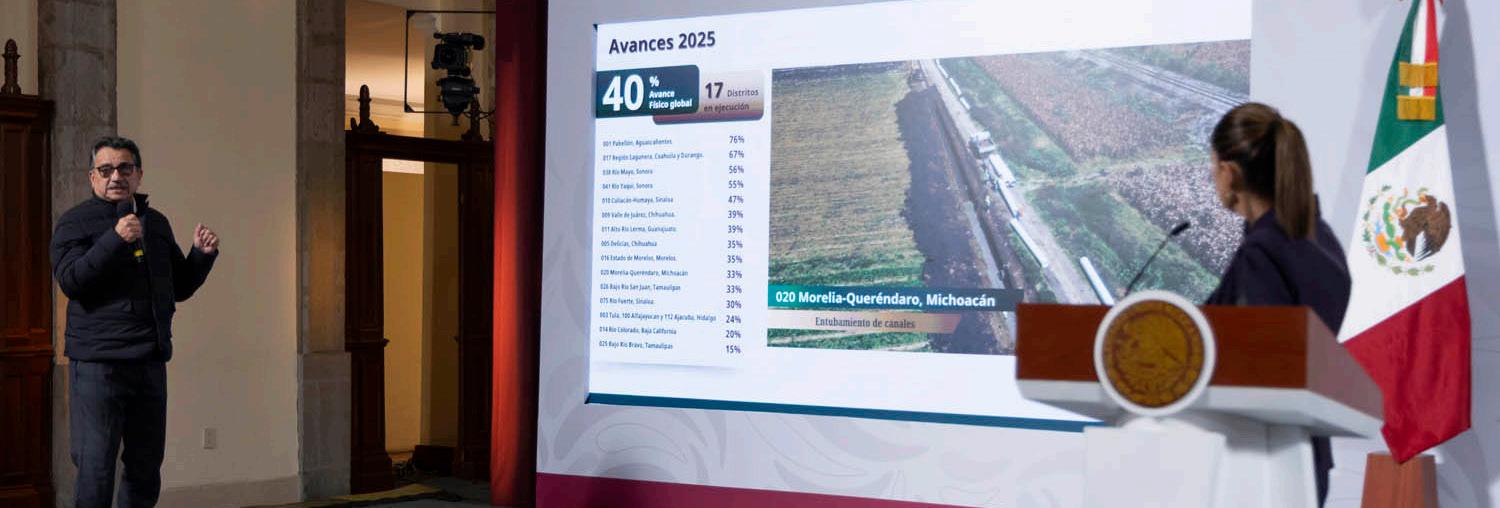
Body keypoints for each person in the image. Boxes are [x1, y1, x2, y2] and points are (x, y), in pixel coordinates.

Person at [51, 136, 221, 508]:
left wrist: (201, 255)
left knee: (145, 468)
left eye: (124, 168)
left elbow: (178, 287)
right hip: (99, 366)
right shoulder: (74, 223)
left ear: (138, 174)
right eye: (106, 169)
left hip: (148, 362)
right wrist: (114, 239)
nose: (116, 176)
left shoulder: (155, 223)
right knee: (96, 468)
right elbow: (72, 281)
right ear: (92, 177)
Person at [1204, 103, 1350, 506]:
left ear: (1229, 173)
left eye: (1212, 167)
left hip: (1257, 458)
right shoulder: (1318, 238)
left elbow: (1256, 363)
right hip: (1302, 455)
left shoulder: (1264, 252)